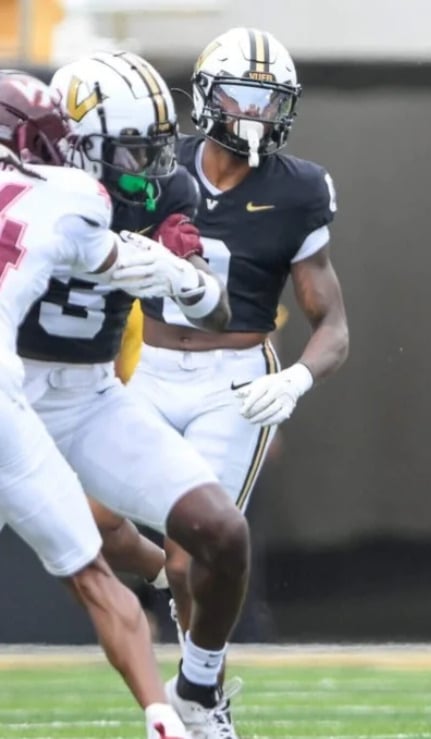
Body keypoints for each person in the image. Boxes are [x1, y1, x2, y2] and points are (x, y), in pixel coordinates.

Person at [15, 52, 256, 738]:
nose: (151, 169)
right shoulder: (38, 186)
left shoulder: (164, 193)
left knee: (223, 531)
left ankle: (199, 693)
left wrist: (187, 279)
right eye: (133, 150)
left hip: (89, 398)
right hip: (10, 388)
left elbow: (215, 314)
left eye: (158, 147)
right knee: (97, 550)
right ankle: (155, 577)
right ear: (78, 141)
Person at [126, 27, 349, 736]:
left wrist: (297, 384)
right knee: (89, 515)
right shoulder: (161, 165)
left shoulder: (300, 189)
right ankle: (162, 585)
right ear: (206, 96)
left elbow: (333, 324)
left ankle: (201, 692)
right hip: (144, 368)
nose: (255, 114)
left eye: (269, 100)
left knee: (202, 554)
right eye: (243, 96)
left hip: (234, 378)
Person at [0, 69, 188, 739]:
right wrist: (178, 272)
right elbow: (124, 264)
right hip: (6, 397)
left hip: (50, 383)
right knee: (91, 573)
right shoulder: (67, 194)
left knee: (99, 531)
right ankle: (163, 717)